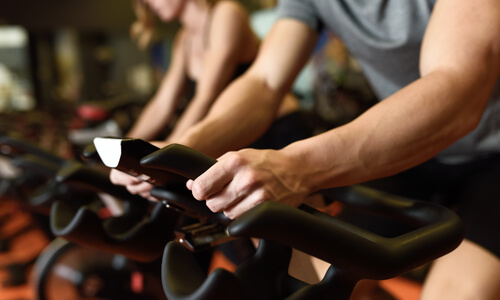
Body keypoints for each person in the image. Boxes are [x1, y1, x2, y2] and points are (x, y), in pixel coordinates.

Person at [113, 0, 500, 299]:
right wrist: (179, 149)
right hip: (410, 150)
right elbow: (264, 82)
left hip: (492, 153)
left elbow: (459, 88)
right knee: (308, 282)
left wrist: (297, 165)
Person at [111, 0, 306, 199]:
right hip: (232, 134)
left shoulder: (225, 14)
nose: (147, 3)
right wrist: (119, 148)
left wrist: (166, 156)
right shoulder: (184, 39)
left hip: (277, 130)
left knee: (297, 219)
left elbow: (206, 97)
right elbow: (162, 103)